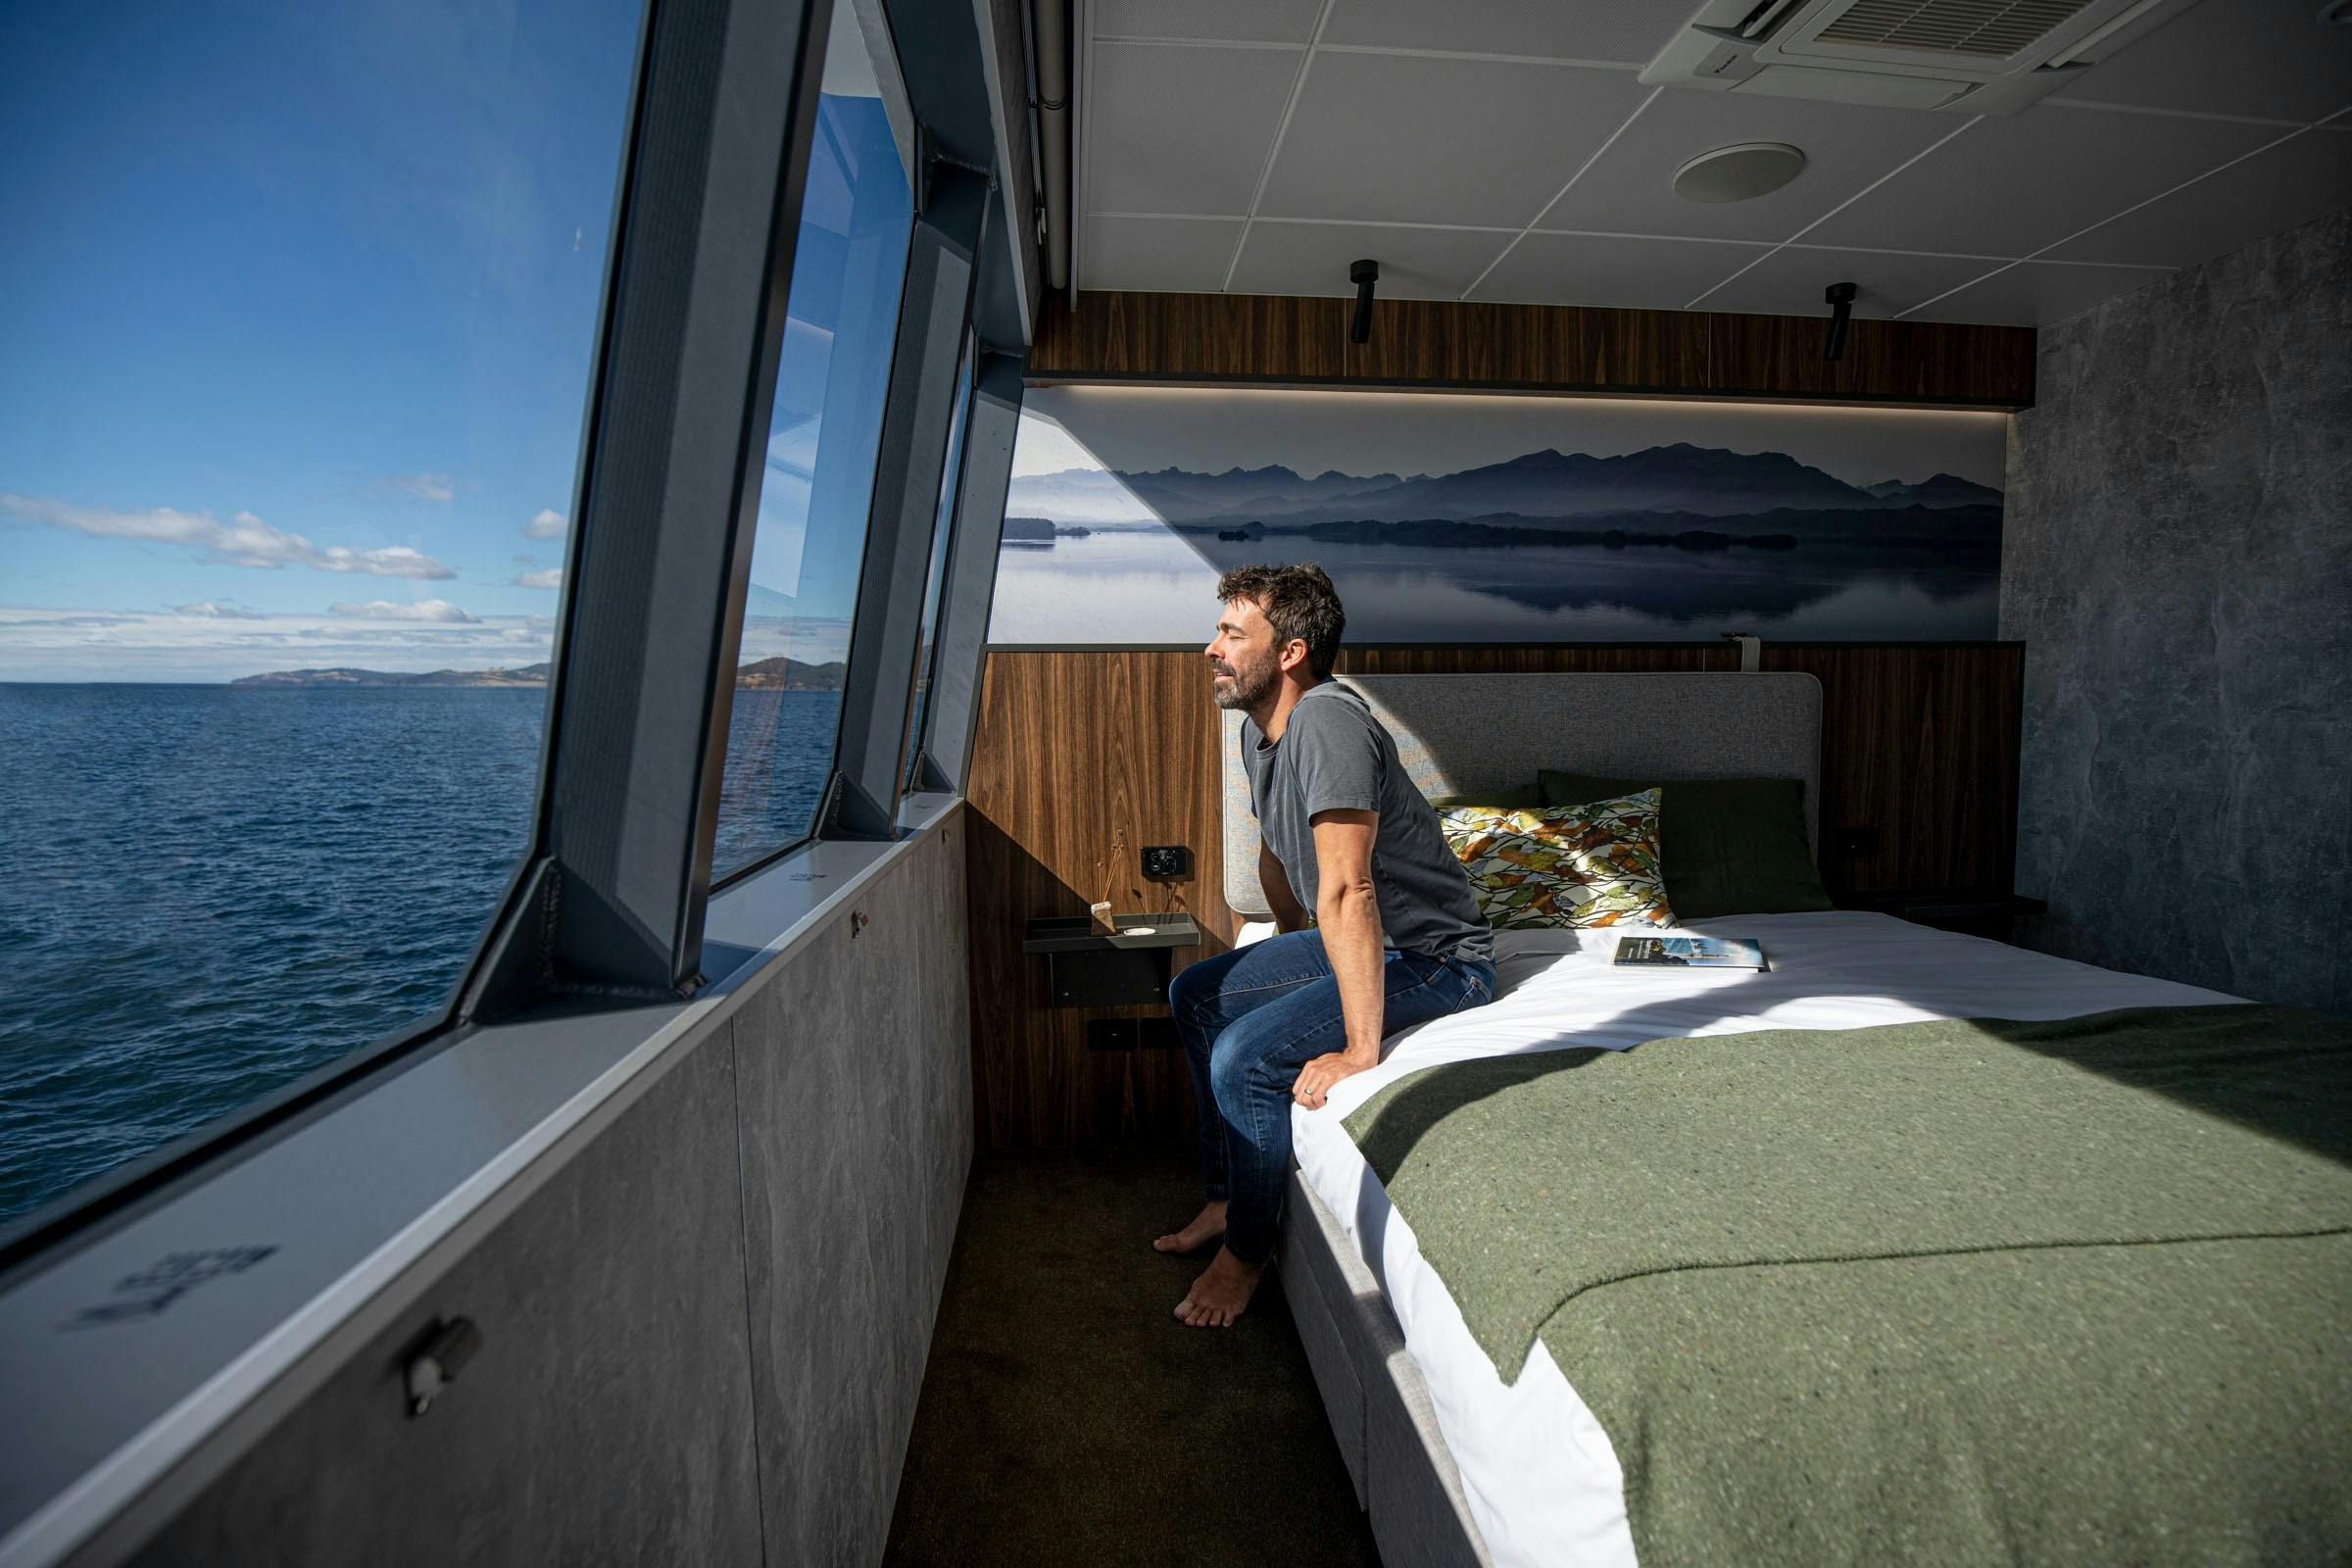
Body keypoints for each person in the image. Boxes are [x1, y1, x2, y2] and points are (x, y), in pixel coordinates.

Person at [1158, 564, 1496, 1328]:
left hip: (1438, 960)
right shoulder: (1257, 733)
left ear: (1290, 653)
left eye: (1232, 634)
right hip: (1365, 943)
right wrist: (1285, 954)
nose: (1211, 648)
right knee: (1198, 992)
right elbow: (1278, 859)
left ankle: (1246, 1253)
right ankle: (1225, 1196)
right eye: (1218, 630)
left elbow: (1350, 889)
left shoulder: (1328, 720)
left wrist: (1358, 1047)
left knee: (1243, 1055)